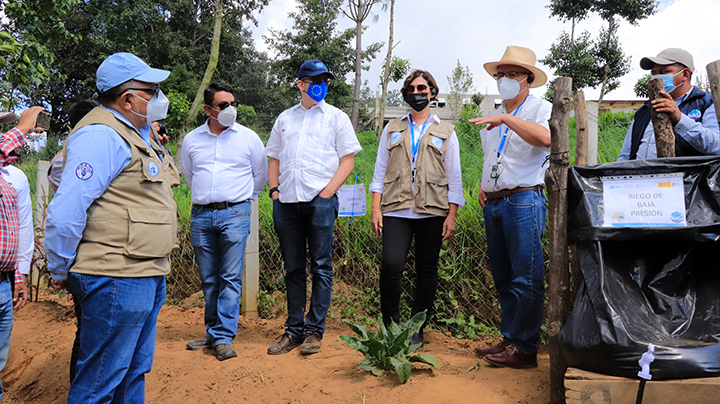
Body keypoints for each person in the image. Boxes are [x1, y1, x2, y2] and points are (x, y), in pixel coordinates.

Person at [45, 52, 179, 403]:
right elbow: (66, 211)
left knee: (132, 372)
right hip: (115, 275)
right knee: (99, 383)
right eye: (152, 91)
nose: (159, 98)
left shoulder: (135, 134)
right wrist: (59, 267)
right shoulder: (101, 136)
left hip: (143, 272)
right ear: (128, 99)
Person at [265, 60, 362, 355]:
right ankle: (293, 330)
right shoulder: (285, 118)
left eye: (324, 81)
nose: (320, 85)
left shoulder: (336, 118)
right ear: (300, 84)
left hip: (320, 201)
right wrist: (274, 191)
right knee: (293, 268)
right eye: (314, 80)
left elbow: (347, 160)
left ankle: (314, 331)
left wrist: (328, 192)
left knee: (321, 266)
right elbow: (274, 158)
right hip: (286, 203)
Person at [469, 46, 552, 369]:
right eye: (500, 74)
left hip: (523, 199)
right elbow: (494, 155)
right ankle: (510, 338)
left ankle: (525, 347)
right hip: (495, 201)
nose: (504, 79)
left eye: (512, 74)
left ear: (528, 80)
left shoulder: (540, 108)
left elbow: (546, 139)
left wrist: (506, 118)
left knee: (526, 276)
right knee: (504, 276)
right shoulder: (495, 112)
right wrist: (484, 184)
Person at [369, 70, 464, 346]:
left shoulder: (446, 131)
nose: (416, 93)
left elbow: (454, 176)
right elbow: (379, 170)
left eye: (422, 88)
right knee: (391, 265)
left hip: (432, 209)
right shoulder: (391, 128)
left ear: (432, 92)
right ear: (406, 94)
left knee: (427, 268)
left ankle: (416, 328)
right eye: (411, 89)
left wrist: (452, 214)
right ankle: (391, 327)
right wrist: (376, 208)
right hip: (396, 208)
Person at [181, 82, 268, 360]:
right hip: (202, 214)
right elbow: (190, 176)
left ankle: (223, 336)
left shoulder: (249, 138)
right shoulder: (192, 140)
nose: (231, 109)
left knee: (229, 277)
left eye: (233, 103)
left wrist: (240, 200)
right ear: (208, 110)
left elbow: (260, 176)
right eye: (223, 105)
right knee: (209, 278)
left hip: (235, 213)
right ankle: (213, 330)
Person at [0, 105, 45, 401]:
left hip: (3, 282)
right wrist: (22, 129)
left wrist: (19, 275)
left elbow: (19, 229)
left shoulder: (13, 177)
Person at [618, 48, 719, 160]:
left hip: (685, 172)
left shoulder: (708, 104)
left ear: (685, 74)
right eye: (654, 73)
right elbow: (625, 155)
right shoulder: (645, 109)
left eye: (663, 72)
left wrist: (680, 120)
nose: (657, 78)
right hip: (641, 171)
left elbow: (717, 146)